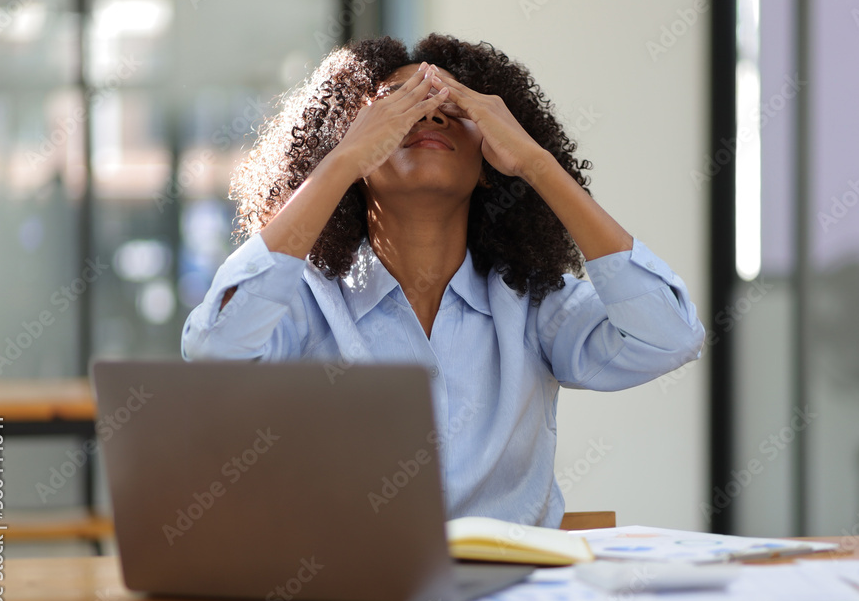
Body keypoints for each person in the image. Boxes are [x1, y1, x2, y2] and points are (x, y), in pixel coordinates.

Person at [181, 34, 705, 528]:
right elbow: (214, 354)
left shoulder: (534, 305)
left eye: (456, 107)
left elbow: (669, 337)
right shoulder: (303, 301)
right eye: (397, 104)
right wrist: (339, 162)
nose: (429, 111)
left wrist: (538, 166)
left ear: (488, 163)